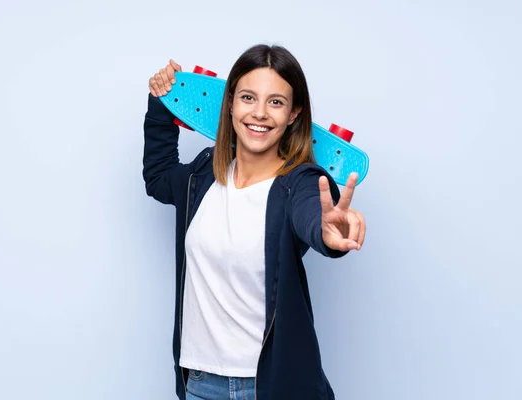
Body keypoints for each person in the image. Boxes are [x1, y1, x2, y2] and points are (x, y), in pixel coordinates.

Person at [143, 44, 366, 400]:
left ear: (293, 114)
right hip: (199, 383)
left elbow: (314, 215)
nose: (259, 113)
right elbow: (158, 177)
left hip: (270, 387)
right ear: (229, 103)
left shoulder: (300, 184)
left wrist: (327, 232)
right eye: (248, 97)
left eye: (276, 102)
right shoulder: (203, 175)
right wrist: (161, 103)